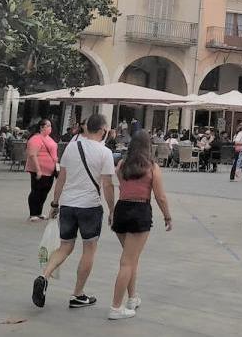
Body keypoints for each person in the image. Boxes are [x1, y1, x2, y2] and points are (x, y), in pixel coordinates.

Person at [33, 113, 116, 310]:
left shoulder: (71, 146)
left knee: (65, 246)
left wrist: (54, 203)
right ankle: (78, 294)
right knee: (89, 249)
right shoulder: (105, 153)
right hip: (90, 207)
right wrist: (112, 210)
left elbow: (61, 178)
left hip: (68, 205)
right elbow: (107, 184)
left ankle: (43, 276)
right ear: (103, 130)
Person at [108, 130, 172, 320]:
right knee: (127, 261)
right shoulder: (152, 167)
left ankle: (132, 298)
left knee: (131, 258)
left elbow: (123, 187)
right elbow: (160, 196)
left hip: (122, 210)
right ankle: (115, 307)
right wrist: (167, 216)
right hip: (140, 211)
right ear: (148, 146)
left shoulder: (121, 165)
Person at [26, 119, 59, 222]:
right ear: (41, 127)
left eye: (50, 126)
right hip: (39, 170)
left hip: (50, 170)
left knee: (45, 191)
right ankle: (33, 213)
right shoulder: (36, 139)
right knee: (36, 191)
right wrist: (38, 170)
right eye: (48, 126)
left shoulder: (49, 138)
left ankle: (39, 212)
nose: (50, 128)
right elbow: (32, 155)